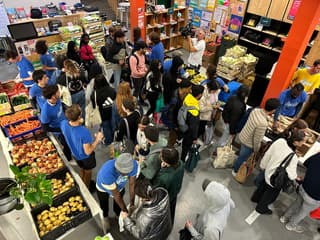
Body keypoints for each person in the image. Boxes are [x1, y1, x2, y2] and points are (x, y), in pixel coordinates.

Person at [251, 130, 305, 214]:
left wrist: (263, 165)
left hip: (268, 171)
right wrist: (296, 177)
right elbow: (292, 175)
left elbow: (268, 154)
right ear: (295, 142)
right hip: (276, 178)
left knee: (262, 187)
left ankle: (255, 198)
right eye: (302, 141)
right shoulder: (293, 156)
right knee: (270, 195)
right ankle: (261, 208)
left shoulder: (280, 141)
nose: (303, 143)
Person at [61, 104, 103, 191]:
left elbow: (72, 131)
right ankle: (86, 188)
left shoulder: (64, 124)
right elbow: (88, 151)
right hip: (86, 158)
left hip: (75, 154)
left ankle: (82, 181)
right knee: (88, 171)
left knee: (82, 168)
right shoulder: (83, 132)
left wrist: (78, 122)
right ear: (79, 116)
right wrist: (97, 140)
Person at [232, 98, 280, 175]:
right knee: (242, 158)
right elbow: (257, 140)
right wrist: (256, 149)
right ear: (273, 110)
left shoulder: (255, 110)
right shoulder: (263, 123)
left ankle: (236, 165)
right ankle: (235, 170)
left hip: (243, 135)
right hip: (249, 144)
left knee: (241, 155)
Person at [281, 152, 320, 233]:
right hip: (315, 197)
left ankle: (284, 217)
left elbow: (306, 163)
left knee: (297, 203)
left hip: (304, 187)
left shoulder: (318, 155)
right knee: (303, 212)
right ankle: (290, 225)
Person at [96, 153, 138, 225]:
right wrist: (126, 211)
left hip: (119, 186)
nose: (123, 175)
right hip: (103, 189)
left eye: (125, 173)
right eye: (120, 172)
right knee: (104, 203)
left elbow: (132, 184)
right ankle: (105, 216)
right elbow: (116, 195)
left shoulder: (133, 165)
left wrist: (132, 204)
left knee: (118, 204)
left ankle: (118, 214)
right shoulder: (106, 173)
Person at [152, 147, 184, 224]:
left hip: (166, 198)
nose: (160, 156)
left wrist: (161, 169)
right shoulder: (181, 163)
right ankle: (170, 222)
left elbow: (156, 188)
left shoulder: (164, 178)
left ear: (166, 162)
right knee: (171, 210)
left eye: (161, 156)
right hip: (174, 191)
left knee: (164, 213)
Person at [215, 85, 250, 150]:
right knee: (224, 139)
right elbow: (234, 120)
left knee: (224, 136)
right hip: (229, 123)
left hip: (225, 118)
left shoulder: (233, 97)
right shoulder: (239, 106)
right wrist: (232, 132)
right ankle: (217, 151)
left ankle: (217, 149)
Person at [181, 84, 204, 162]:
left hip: (183, 124)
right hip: (189, 131)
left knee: (184, 144)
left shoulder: (188, 97)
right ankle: (182, 160)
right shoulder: (195, 109)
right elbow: (194, 126)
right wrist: (194, 138)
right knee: (186, 147)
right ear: (200, 95)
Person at [92, 74, 116, 145]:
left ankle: (108, 141)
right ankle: (115, 139)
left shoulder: (95, 94)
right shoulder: (112, 90)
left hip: (102, 114)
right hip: (112, 112)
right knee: (113, 126)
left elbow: (94, 106)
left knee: (106, 128)